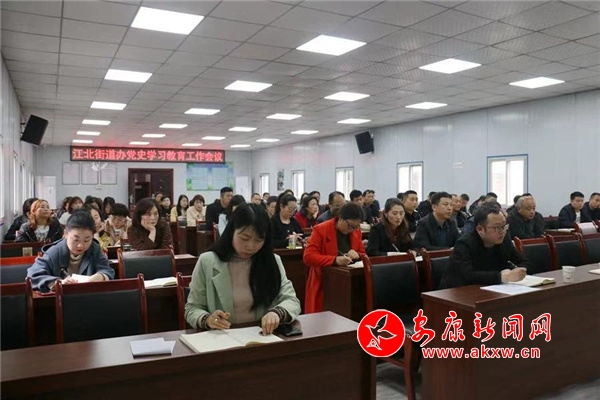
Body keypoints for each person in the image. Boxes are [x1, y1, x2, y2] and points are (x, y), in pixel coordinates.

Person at [184, 204, 301, 333]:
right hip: (223, 338)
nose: (250, 246)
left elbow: (291, 300)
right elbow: (192, 308)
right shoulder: (208, 262)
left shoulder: (272, 261)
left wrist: (277, 313)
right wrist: (207, 319)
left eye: (258, 240)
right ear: (231, 231)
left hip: (261, 337)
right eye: (244, 238)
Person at [440, 204, 528, 289]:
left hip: (492, 289)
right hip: (458, 291)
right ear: (480, 229)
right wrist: (501, 276)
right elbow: (468, 275)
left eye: (504, 226)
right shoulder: (464, 244)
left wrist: (518, 271)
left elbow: (523, 261)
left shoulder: (503, 240)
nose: (502, 231)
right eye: (497, 227)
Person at [26, 210, 115, 292]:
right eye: (76, 240)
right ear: (65, 234)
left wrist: (101, 276)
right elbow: (32, 276)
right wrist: (58, 283)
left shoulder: (94, 248)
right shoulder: (54, 252)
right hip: (60, 299)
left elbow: (107, 270)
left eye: (87, 240)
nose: (80, 245)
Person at [303, 202, 365, 313]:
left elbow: (362, 253)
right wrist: (335, 260)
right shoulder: (321, 229)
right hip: (325, 281)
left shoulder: (356, 231)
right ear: (341, 218)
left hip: (349, 281)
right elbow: (308, 257)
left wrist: (357, 254)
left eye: (356, 227)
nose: (352, 229)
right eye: (350, 226)